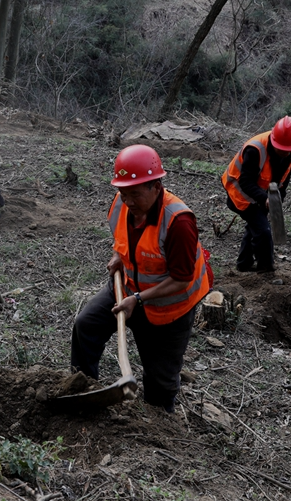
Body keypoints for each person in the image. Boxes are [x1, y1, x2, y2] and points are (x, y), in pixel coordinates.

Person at [71, 145, 211, 413]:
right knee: (86, 325)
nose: (128, 201)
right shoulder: (121, 203)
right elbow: (122, 238)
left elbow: (181, 279)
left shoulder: (178, 222)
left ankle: (158, 431)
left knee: (160, 383)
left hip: (169, 309)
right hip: (128, 289)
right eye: (124, 193)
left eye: (135, 194)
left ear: (156, 187)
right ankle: (84, 390)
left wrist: (137, 299)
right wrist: (118, 256)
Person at [221, 116, 291, 273]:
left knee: (256, 225)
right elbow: (245, 182)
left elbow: (284, 178)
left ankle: (244, 264)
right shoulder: (255, 149)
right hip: (239, 193)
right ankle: (266, 270)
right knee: (263, 231)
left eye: (288, 150)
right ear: (274, 139)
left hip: (260, 192)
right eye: (281, 149)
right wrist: (265, 199)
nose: (284, 153)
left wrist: (278, 199)